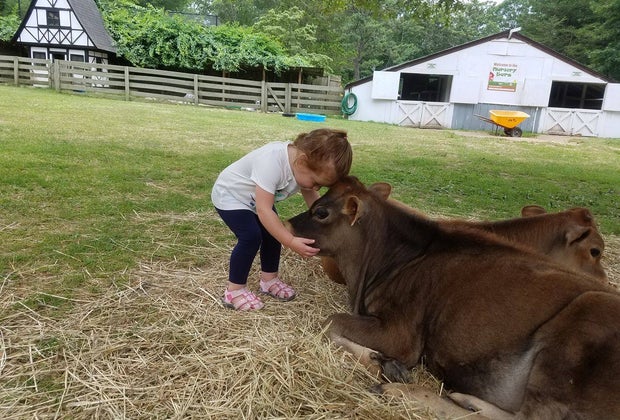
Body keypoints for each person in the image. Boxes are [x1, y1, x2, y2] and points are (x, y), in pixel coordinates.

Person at [211, 128, 352, 311]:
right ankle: (234, 291)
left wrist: (330, 221)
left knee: (273, 234)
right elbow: (264, 210)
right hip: (231, 196)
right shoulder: (272, 162)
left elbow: (313, 199)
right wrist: (290, 240)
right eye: (316, 182)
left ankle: (269, 280)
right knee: (251, 237)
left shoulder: (302, 165)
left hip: (254, 200)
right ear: (302, 162)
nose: (316, 187)